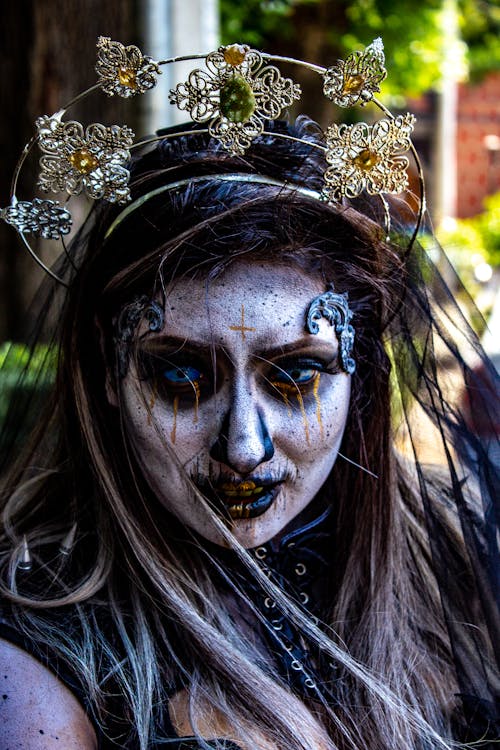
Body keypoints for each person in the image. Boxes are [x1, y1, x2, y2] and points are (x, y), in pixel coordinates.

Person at [0, 43, 498, 750]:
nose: (244, 447)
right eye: (179, 379)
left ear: (357, 377)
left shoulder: (449, 566)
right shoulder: (34, 661)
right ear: (109, 375)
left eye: (295, 377)